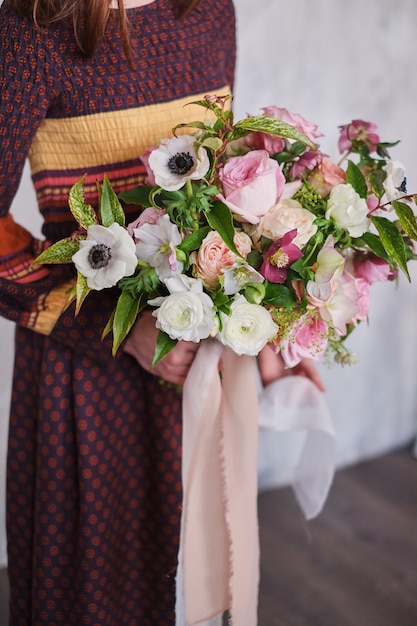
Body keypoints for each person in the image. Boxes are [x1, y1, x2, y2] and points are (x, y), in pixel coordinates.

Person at [0, 0, 324, 623]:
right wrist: (117, 330)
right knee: (99, 597)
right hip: (87, 375)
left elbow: (219, 197)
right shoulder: (31, 29)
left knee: (200, 583)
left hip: (200, 366)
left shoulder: (208, 11)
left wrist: (276, 334)